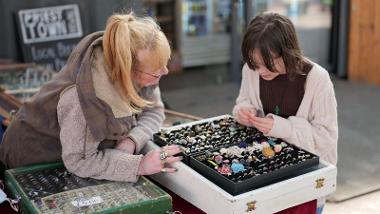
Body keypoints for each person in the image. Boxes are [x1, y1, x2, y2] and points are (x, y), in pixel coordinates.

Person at [0, 12, 182, 182]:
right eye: (156, 71)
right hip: (33, 159)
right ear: (127, 69)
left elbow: (154, 110)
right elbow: (80, 161)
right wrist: (139, 165)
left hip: (77, 155)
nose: (164, 71)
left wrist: (132, 139)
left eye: (164, 63)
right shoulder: (82, 99)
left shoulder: (143, 68)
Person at [233, 13, 338, 214]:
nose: (260, 70)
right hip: (263, 177)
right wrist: (244, 112)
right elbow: (242, 102)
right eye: (254, 62)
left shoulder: (317, 79)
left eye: (267, 62)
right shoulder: (251, 70)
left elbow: (326, 137)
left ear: (287, 52)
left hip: (305, 182)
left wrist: (281, 127)